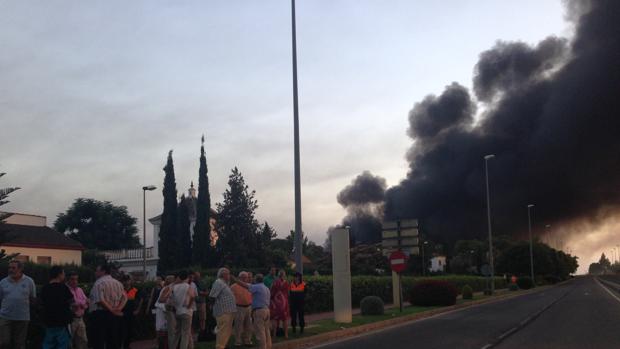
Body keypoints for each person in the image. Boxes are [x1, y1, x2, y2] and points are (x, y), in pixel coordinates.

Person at [89, 264, 128, 349]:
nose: (95, 273)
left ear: (103, 271)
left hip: (100, 314)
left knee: (99, 341)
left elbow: (100, 300)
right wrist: (119, 308)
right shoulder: (118, 283)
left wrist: (111, 310)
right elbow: (125, 297)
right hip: (115, 315)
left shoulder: (99, 283)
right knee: (113, 340)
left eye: (97, 270)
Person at [0, 259, 36, 349]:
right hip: (5, 317)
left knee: (19, 344)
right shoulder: (3, 282)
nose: (10, 270)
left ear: (20, 269)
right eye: (9, 268)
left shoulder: (29, 281)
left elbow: (33, 298)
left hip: (22, 317)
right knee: (4, 342)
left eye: (13, 268)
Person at [233, 273, 271, 349]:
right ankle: (268, 346)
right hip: (266, 310)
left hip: (259, 311)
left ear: (256, 280)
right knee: (266, 331)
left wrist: (235, 280)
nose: (252, 279)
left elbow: (246, 286)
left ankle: (262, 347)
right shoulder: (266, 288)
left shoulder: (257, 287)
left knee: (260, 332)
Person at [41, 266, 74, 349]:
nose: (64, 275)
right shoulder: (64, 288)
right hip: (62, 321)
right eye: (63, 273)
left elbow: (41, 302)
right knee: (62, 344)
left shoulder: (45, 288)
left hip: (48, 321)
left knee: (48, 343)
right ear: (59, 274)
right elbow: (72, 301)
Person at [209, 268, 237, 349]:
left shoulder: (224, 283)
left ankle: (223, 345)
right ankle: (220, 346)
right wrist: (212, 307)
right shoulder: (219, 282)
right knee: (223, 330)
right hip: (223, 311)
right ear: (223, 275)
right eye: (228, 274)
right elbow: (212, 296)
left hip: (228, 311)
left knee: (226, 331)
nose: (229, 275)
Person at [169, 271, 195, 349]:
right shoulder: (188, 286)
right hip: (186, 312)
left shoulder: (174, 287)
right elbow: (193, 296)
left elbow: (171, 298)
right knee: (185, 334)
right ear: (187, 278)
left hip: (178, 312)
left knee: (177, 333)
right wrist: (189, 306)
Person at [67, 271, 89, 349]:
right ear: (68, 280)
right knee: (69, 342)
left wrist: (80, 304)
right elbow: (72, 304)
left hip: (80, 319)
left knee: (83, 341)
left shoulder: (80, 289)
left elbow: (87, 302)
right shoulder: (66, 289)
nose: (75, 281)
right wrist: (81, 303)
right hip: (71, 320)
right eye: (72, 279)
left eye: (76, 279)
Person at [230, 271, 253, 347]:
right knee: (238, 326)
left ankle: (247, 340)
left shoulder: (249, 286)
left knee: (248, 325)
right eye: (243, 277)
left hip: (248, 307)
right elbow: (230, 298)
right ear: (239, 278)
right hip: (239, 307)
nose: (245, 279)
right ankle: (238, 341)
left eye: (246, 277)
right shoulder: (233, 286)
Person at [120, 276, 143, 349]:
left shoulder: (135, 290)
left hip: (131, 313)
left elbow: (140, 300)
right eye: (124, 281)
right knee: (122, 330)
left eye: (127, 280)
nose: (126, 282)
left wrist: (137, 310)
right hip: (122, 313)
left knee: (130, 330)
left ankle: (127, 346)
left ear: (130, 281)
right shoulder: (120, 290)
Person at [155, 275, 176, 349]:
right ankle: (159, 344)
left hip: (163, 309)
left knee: (162, 328)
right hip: (162, 310)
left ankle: (162, 344)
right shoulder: (168, 288)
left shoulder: (167, 287)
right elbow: (161, 300)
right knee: (160, 327)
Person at [269, 270, 290, 338]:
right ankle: (286, 334)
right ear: (284, 275)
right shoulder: (286, 283)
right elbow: (288, 293)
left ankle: (274, 335)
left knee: (275, 319)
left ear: (278, 275)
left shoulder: (275, 282)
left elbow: (271, 292)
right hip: (284, 302)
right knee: (285, 319)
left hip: (276, 302)